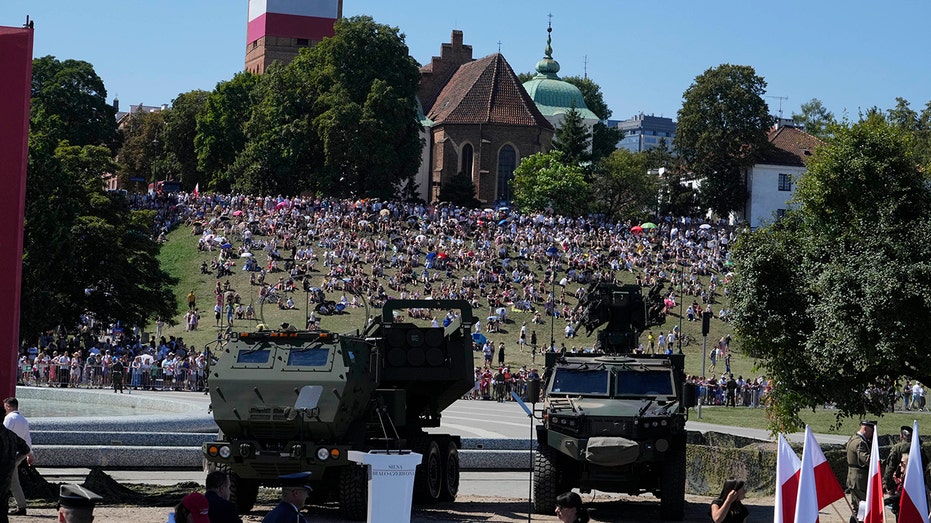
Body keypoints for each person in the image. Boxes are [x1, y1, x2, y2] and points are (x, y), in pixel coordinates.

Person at [3, 397, 34, 516]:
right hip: (20, 454)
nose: (5, 409)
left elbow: (4, 435)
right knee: (13, 480)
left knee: (12, 480)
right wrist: (30, 454)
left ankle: (21, 506)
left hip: (9, 455)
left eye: (5, 407)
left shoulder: (9, 418)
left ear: (8, 406)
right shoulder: (23, 419)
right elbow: (27, 438)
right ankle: (21, 506)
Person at [0, 423, 28, 523]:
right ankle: (21, 506)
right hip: (8, 468)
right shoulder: (11, 435)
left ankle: (21, 506)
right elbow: (26, 449)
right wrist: (14, 461)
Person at [847, 420, 875, 519]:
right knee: (862, 507)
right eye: (871, 432)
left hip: (854, 478)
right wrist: (880, 461)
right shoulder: (860, 443)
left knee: (857, 508)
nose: (872, 435)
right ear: (865, 428)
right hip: (859, 480)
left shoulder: (853, 439)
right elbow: (867, 459)